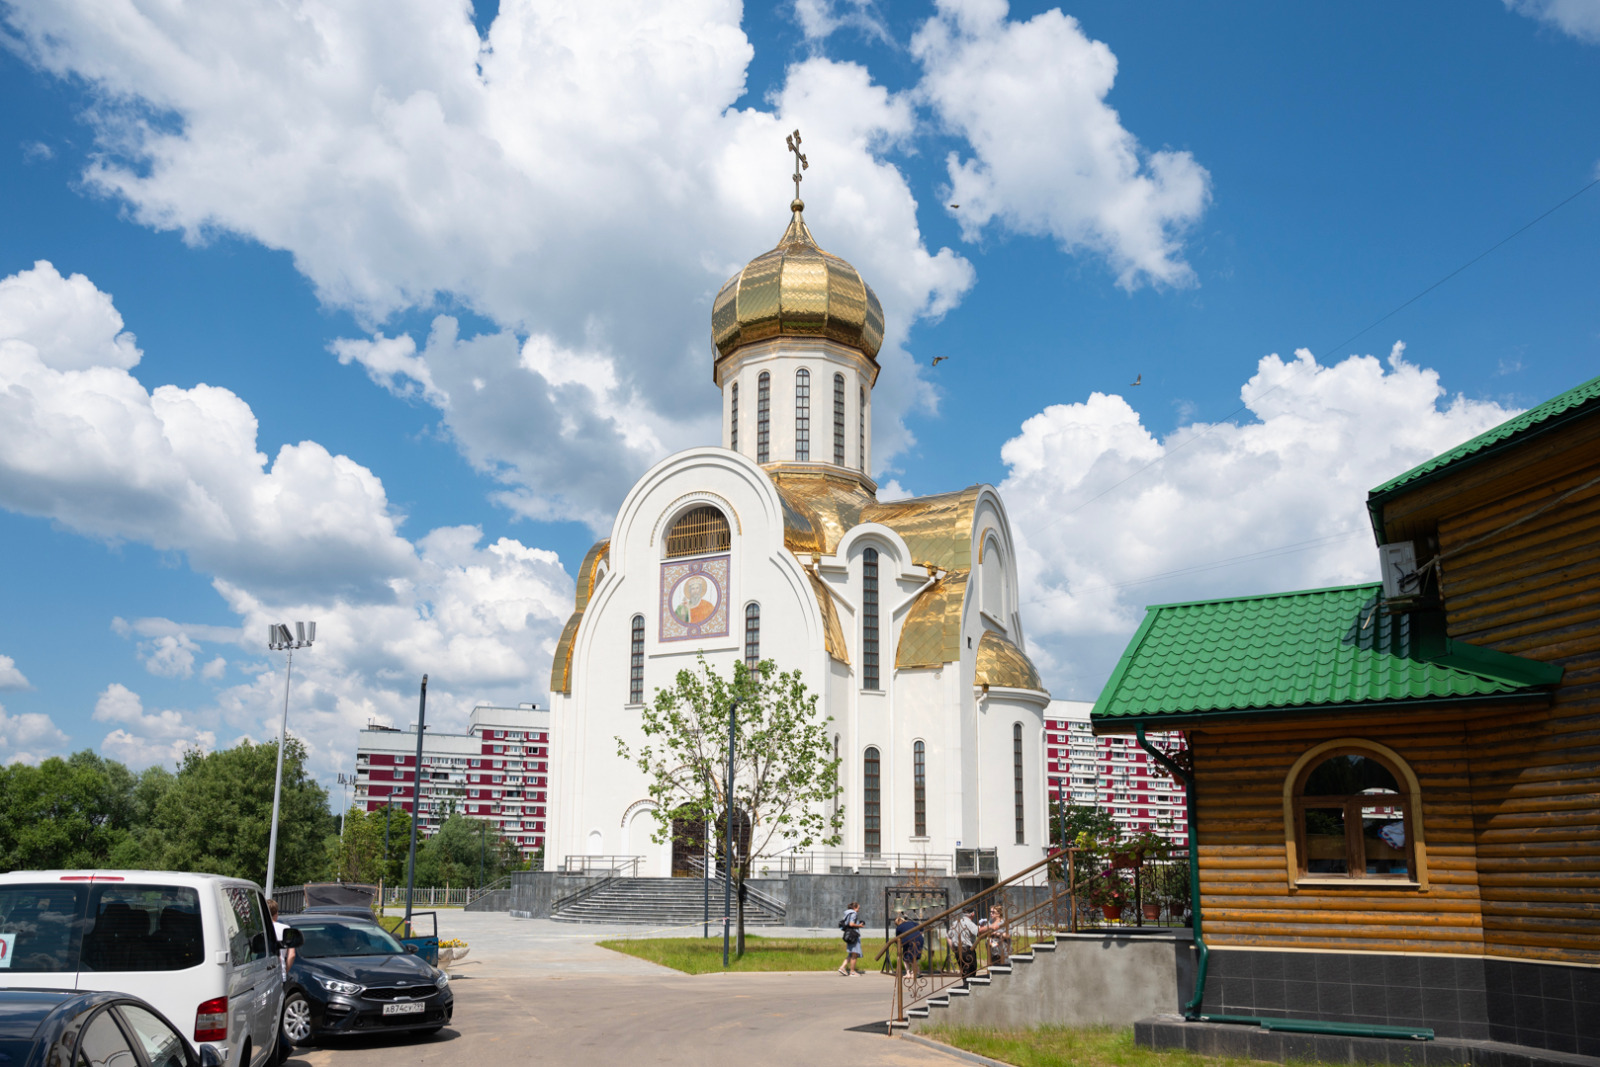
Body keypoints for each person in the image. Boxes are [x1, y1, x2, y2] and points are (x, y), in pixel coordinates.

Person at [951, 907, 981, 985]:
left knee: (964, 971)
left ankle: (965, 984)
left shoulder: (955, 923)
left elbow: (948, 936)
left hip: (957, 950)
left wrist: (953, 948)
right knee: (971, 970)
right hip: (967, 950)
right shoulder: (969, 923)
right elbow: (978, 932)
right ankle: (969, 987)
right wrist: (989, 927)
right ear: (973, 914)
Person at [265, 899, 295, 977]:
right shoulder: (287, 929)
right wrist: (285, 971)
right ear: (276, 913)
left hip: (262, 974)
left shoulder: (261, 929)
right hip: (279, 973)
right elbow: (292, 955)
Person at [893, 911, 924, 981]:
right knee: (915, 956)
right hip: (919, 939)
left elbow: (898, 938)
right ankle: (916, 972)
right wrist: (918, 933)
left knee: (905, 956)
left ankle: (908, 973)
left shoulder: (898, 928)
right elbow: (921, 928)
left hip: (908, 940)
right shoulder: (911, 922)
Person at [836, 901, 865, 976]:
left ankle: (842, 967)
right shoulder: (854, 913)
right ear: (855, 908)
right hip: (854, 935)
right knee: (854, 954)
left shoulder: (847, 913)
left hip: (849, 934)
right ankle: (852, 972)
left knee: (851, 954)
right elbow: (851, 924)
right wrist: (859, 925)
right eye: (858, 908)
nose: (859, 909)